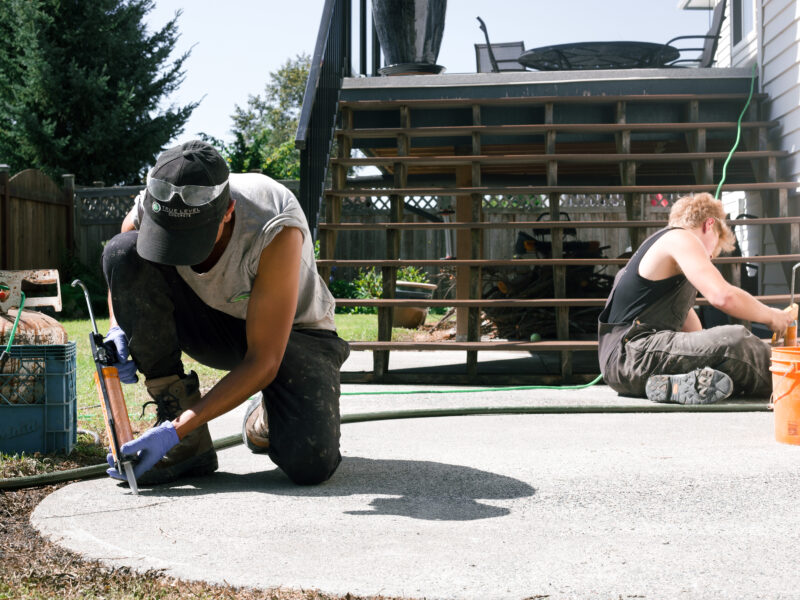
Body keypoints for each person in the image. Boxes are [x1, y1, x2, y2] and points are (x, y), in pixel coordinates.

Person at [101, 140, 349, 486]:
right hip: (210, 324)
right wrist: (118, 328)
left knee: (310, 464)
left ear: (228, 210)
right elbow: (122, 264)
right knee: (122, 251)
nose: (180, 253)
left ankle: (263, 419)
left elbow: (264, 359)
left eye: (192, 240)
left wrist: (172, 432)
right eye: (168, 239)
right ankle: (189, 443)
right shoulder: (151, 203)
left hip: (294, 339)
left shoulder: (273, 222)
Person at [598, 192, 792, 404]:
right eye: (715, 247)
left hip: (628, 365)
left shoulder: (659, 255)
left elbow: (692, 333)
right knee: (736, 341)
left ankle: (679, 384)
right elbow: (723, 296)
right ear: (709, 225)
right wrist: (773, 316)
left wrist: (711, 354)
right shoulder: (680, 238)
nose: (709, 257)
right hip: (634, 355)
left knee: (725, 363)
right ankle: (791, 381)